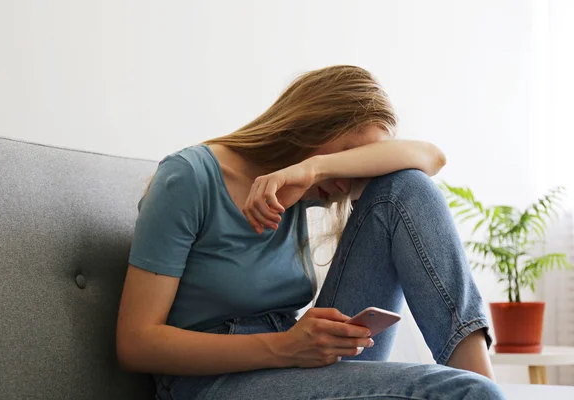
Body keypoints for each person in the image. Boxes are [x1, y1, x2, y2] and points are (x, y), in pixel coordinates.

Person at [116, 65, 505, 399]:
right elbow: (135, 343)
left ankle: (477, 373)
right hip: (211, 383)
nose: (348, 180)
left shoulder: (301, 187)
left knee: (405, 187)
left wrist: (316, 168)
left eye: (354, 165)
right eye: (346, 156)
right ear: (315, 122)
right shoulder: (188, 177)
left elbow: (430, 158)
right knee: (467, 394)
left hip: (295, 357)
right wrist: (285, 348)